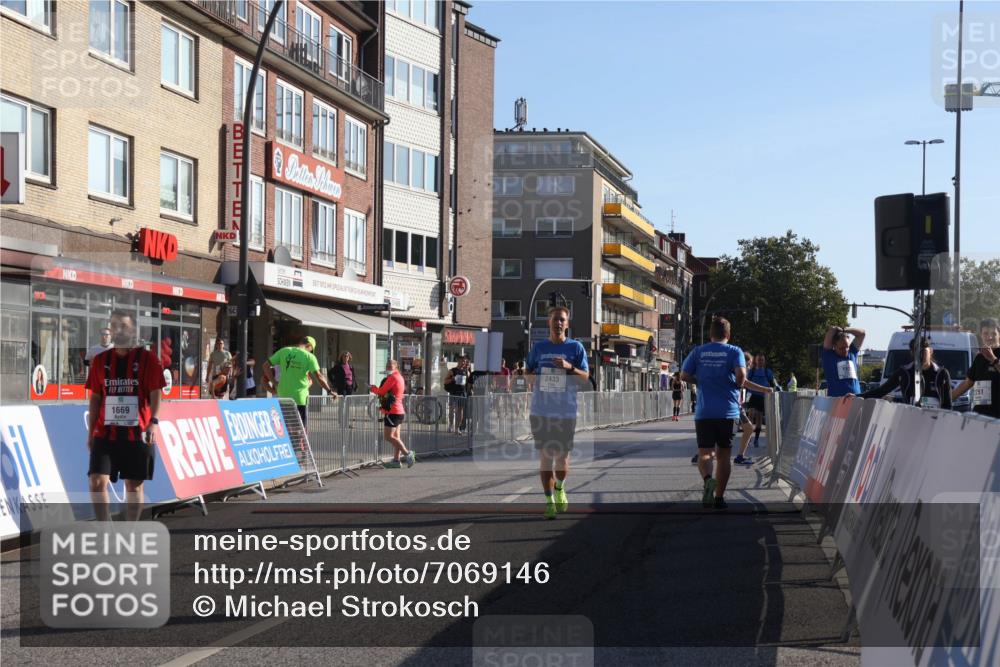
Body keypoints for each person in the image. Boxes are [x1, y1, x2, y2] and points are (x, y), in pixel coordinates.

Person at [85, 309, 165, 521]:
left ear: (134, 330)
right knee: (96, 482)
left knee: (133, 485)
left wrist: (153, 422)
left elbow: (156, 393)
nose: (118, 330)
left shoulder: (149, 360)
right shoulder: (100, 361)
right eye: (114, 325)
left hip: (138, 433)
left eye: (124, 326)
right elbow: (95, 398)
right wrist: (91, 432)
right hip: (105, 433)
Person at [526, 305, 589, 520]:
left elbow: (585, 377)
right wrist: (533, 379)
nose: (558, 323)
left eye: (562, 319)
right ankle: (549, 501)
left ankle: (560, 487)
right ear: (549, 322)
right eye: (555, 319)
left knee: (562, 458)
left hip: (565, 411)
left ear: (567, 323)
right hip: (541, 410)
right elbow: (528, 373)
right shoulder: (538, 348)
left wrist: (569, 367)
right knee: (546, 456)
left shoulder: (576, 348)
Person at [680, 317, 747, 510]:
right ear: (728, 334)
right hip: (728, 412)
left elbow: (683, 375)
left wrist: (700, 381)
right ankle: (719, 498)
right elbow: (741, 375)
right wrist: (738, 384)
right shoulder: (735, 351)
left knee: (705, 453)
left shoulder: (699, 352)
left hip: (704, 411)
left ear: (710, 334)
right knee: (724, 455)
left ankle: (708, 479)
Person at [261, 336, 335, 428]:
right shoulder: (310, 357)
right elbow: (319, 377)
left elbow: (265, 366)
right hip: (300, 399)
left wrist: (275, 383)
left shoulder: (284, 351)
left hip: (283, 396)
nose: (310, 352)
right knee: (300, 430)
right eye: (311, 350)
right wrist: (329, 391)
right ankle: (300, 442)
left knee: (285, 428)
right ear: (309, 345)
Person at [862, 337, 952, 409]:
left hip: (936, 420)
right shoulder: (904, 372)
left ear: (931, 351)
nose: (920, 355)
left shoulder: (942, 373)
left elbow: (948, 404)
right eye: (916, 352)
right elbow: (881, 391)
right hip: (911, 418)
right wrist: (857, 396)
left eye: (923, 352)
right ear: (912, 353)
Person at [370, 359, 415, 468]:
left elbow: (381, 391)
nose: (388, 367)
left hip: (393, 411)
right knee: (396, 436)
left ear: (396, 366)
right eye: (387, 365)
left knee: (388, 436)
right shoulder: (399, 377)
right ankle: (396, 460)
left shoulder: (393, 377)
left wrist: (372, 388)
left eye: (391, 365)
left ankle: (407, 454)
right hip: (399, 411)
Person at [952, 318, 1000, 418]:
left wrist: (993, 359)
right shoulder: (979, 357)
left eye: (993, 334)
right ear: (981, 335)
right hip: (980, 415)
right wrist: (946, 399)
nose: (989, 337)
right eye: (985, 333)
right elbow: (967, 383)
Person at [746, 353, 780, 448]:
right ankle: (748, 437)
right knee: (751, 415)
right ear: (755, 361)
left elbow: (773, 382)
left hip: (763, 397)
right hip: (753, 396)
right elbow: (746, 382)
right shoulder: (751, 371)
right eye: (759, 360)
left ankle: (756, 439)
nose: (760, 362)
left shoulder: (767, 372)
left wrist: (776, 388)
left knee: (759, 418)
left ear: (764, 361)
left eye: (762, 360)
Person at [821, 325, 865, 397]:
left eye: (847, 347)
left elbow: (862, 334)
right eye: (841, 348)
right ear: (834, 346)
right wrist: (837, 329)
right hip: (837, 401)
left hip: (856, 399)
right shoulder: (829, 356)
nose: (845, 350)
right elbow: (831, 330)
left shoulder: (852, 352)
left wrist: (845, 329)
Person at [444, 356, 471, 434]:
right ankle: (451, 426)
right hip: (453, 392)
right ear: (458, 361)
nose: (463, 363)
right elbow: (445, 381)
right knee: (452, 409)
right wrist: (452, 379)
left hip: (462, 393)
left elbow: (468, 383)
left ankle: (457, 428)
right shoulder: (452, 371)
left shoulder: (466, 372)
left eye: (465, 362)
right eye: (462, 361)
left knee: (460, 411)